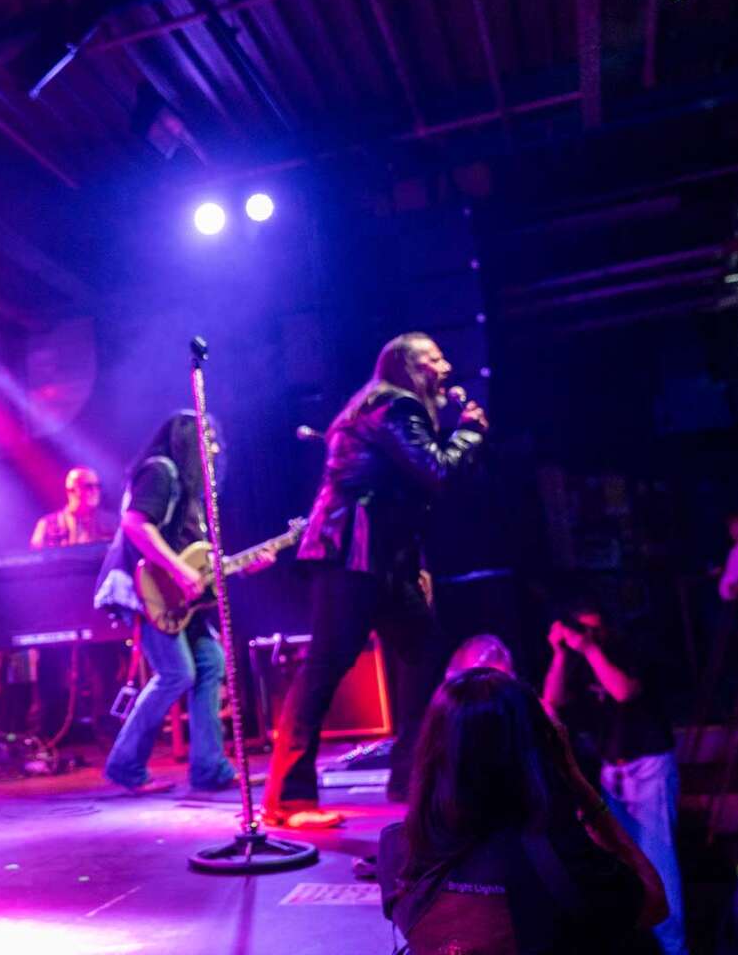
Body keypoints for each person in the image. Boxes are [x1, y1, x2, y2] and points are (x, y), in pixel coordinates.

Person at [261, 332, 486, 829]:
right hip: (354, 554)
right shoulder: (394, 405)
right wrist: (469, 431)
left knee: (425, 653)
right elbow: (436, 472)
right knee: (324, 668)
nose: (446, 366)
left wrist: (417, 563)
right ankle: (288, 800)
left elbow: (406, 493)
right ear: (409, 367)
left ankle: (411, 777)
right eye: (434, 359)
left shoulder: (390, 406)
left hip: (384, 557)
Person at [377, 669, 667, 955]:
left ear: (431, 749)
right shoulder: (560, 856)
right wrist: (578, 783)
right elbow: (654, 903)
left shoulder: (398, 851)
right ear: (537, 747)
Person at [93, 411, 273, 794]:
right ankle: (125, 766)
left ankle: (209, 769)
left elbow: (196, 564)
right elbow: (135, 524)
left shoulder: (192, 495)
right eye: (208, 437)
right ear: (186, 440)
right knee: (178, 673)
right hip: (143, 587)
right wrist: (177, 570)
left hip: (174, 591)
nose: (216, 447)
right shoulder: (161, 471)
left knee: (211, 662)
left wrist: (242, 566)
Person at [541, 605, 686, 955]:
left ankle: (673, 948)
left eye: (594, 629)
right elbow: (551, 702)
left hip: (648, 768)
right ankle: (634, 943)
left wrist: (591, 649)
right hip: (612, 771)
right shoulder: (579, 661)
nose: (586, 636)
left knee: (658, 859)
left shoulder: (631, 650)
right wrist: (560, 656)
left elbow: (623, 691)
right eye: (581, 629)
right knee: (617, 859)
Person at [30, 466, 115, 549]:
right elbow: (36, 558)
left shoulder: (111, 523)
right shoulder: (47, 525)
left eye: (97, 486)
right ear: (71, 490)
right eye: (88, 486)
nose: (95, 491)